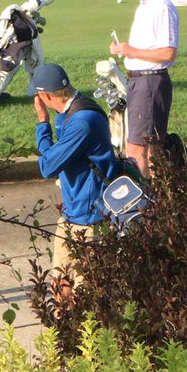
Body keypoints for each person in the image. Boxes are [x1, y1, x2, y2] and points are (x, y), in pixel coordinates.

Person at [33, 62, 120, 292]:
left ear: (45, 96)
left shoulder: (83, 122)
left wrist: (42, 123)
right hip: (72, 215)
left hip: (90, 219)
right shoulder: (71, 112)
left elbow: (48, 166)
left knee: (84, 293)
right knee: (60, 285)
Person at [109, 0, 179, 178]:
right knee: (149, 148)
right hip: (141, 81)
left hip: (149, 81)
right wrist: (124, 50)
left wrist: (131, 51)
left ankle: (146, 195)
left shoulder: (162, 8)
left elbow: (168, 53)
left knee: (138, 149)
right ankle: (156, 194)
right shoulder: (145, 6)